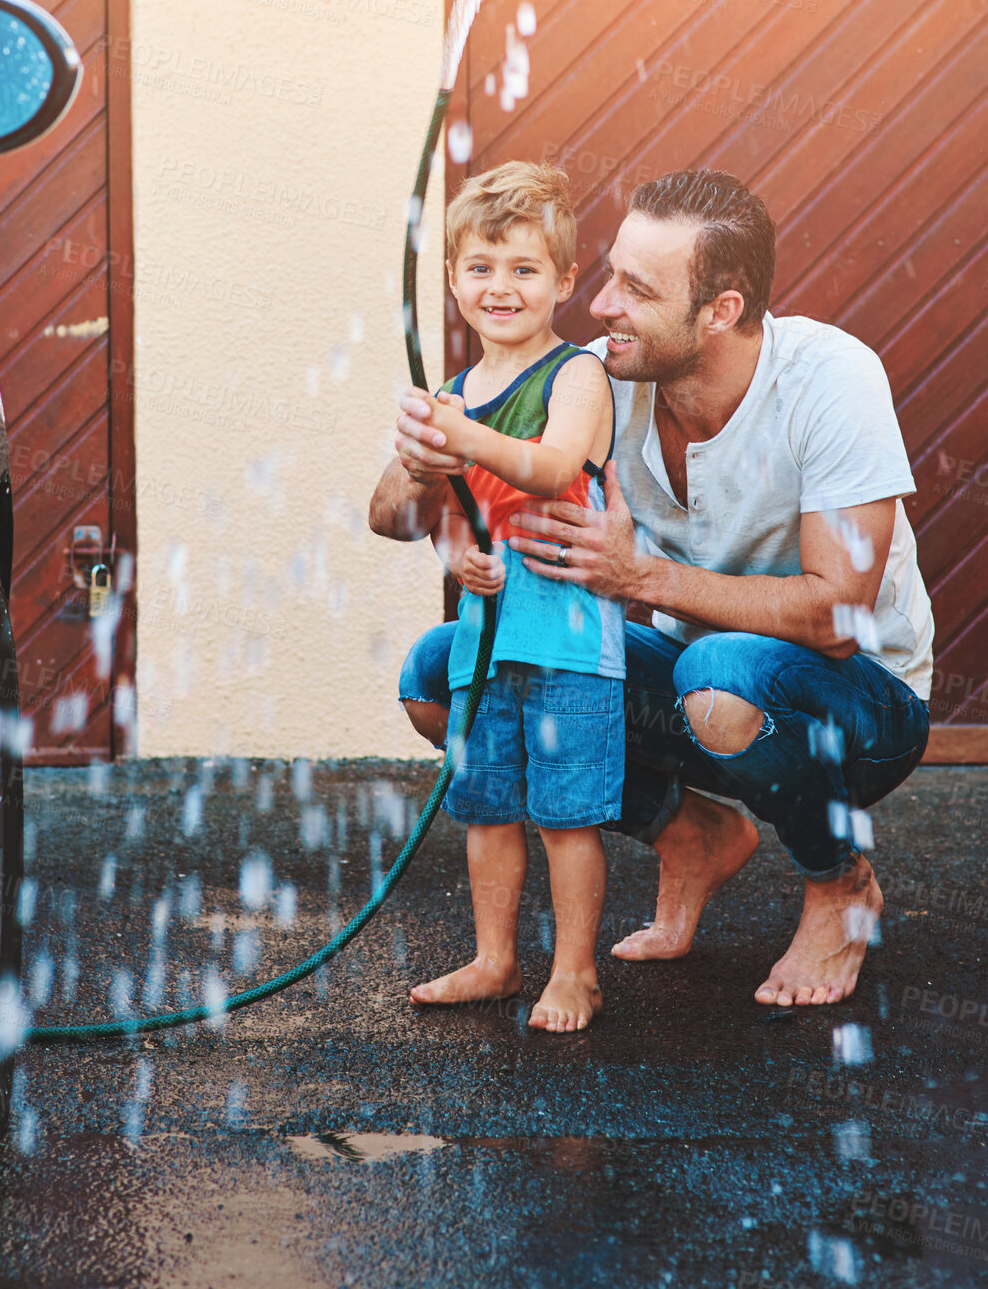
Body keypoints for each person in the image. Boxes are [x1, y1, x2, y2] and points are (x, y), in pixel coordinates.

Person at [371, 168, 932, 1010]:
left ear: (721, 311)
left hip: (859, 704)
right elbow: (398, 517)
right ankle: (693, 832)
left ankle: (839, 884)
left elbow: (840, 613)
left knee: (723, 680)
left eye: (635, 289)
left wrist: (641, 577)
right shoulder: (591, 380)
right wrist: (418, 463)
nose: (599, 307)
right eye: (607, 275)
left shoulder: (830, 381)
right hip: (689, 675)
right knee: (437, 677)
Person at [405, 160, 625, 1034]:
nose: (501, 288)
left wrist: (460, 435)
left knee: (565, 817)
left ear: (565, 281)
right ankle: (495, 959)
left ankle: (576, 973)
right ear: (454, 277)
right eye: (481, 268)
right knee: (487, 809)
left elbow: (553, 466)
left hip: (569, 641)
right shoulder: (453, 395)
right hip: (484, 643)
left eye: (524, 269)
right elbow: (449, 520)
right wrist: (458, 557)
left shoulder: (575, 377)